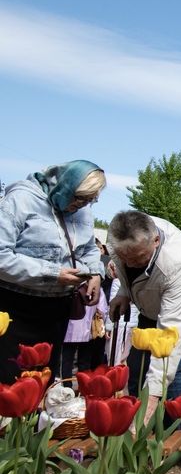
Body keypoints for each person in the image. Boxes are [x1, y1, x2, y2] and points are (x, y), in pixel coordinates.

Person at [0, 160, 106, 383]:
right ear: (65, 185)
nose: (82, 205)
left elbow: (88, 249)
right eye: (79, 197)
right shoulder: (21, 200)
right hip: (15, 308)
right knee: (10, 382)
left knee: (42, 380)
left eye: (90, 200)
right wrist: (52, 273)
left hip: (57, 310)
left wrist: (96, 273)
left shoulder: (83, 212)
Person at [107, 210, 181, 410]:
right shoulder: (119, 235)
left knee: (170, 368)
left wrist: (153, 397)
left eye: (139, 258)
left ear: (156, 240)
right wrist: (124, 292)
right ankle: (134, 426)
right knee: (137, 366)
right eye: (126, 258)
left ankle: (176, 436)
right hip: (153, 302)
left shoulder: (176, 260)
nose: (132, 264)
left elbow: (173, 328)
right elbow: (128, 267)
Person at [61, 287, 109, 380]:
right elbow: (102, 310)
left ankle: (66, 386)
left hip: (69, 331)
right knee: (84, 362)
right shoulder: (97, 288)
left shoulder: (70, 285)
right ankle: (83, 388)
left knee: (67, 361)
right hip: (86, 331)